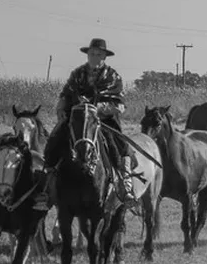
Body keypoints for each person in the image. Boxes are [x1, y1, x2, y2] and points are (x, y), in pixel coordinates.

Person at [39, 38, 136, 210]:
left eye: (99, 54)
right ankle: (47, 186)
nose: (94, 57)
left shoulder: (113, 77)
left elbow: (119, 106)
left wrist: (96, 108)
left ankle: (125, 185)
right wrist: (61, 109)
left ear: (105, 57)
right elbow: (65, 95)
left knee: (120, 146)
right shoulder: (77, 74)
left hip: (102, 120)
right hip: (75, 118)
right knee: (54, 140)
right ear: (87, 54)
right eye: (92, 53)